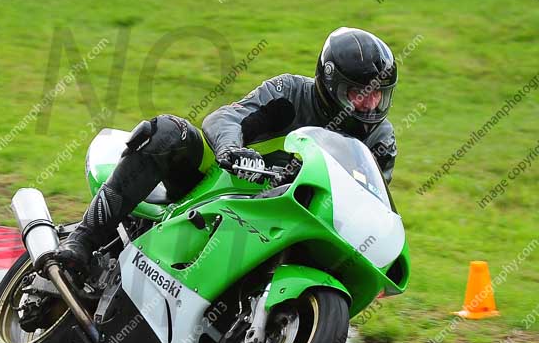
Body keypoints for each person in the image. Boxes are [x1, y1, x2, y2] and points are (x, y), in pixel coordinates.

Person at [50, 27, 399, 274]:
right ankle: (84, 237)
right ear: (331, 83)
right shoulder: (290, 92)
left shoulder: (381, 140)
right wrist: (233, 150)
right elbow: (226, 118)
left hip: (296, 220)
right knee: (168, 132)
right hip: (227, 184)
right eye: (359, 92)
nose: (370, 103)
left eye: (378, 94)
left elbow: (373, 203)